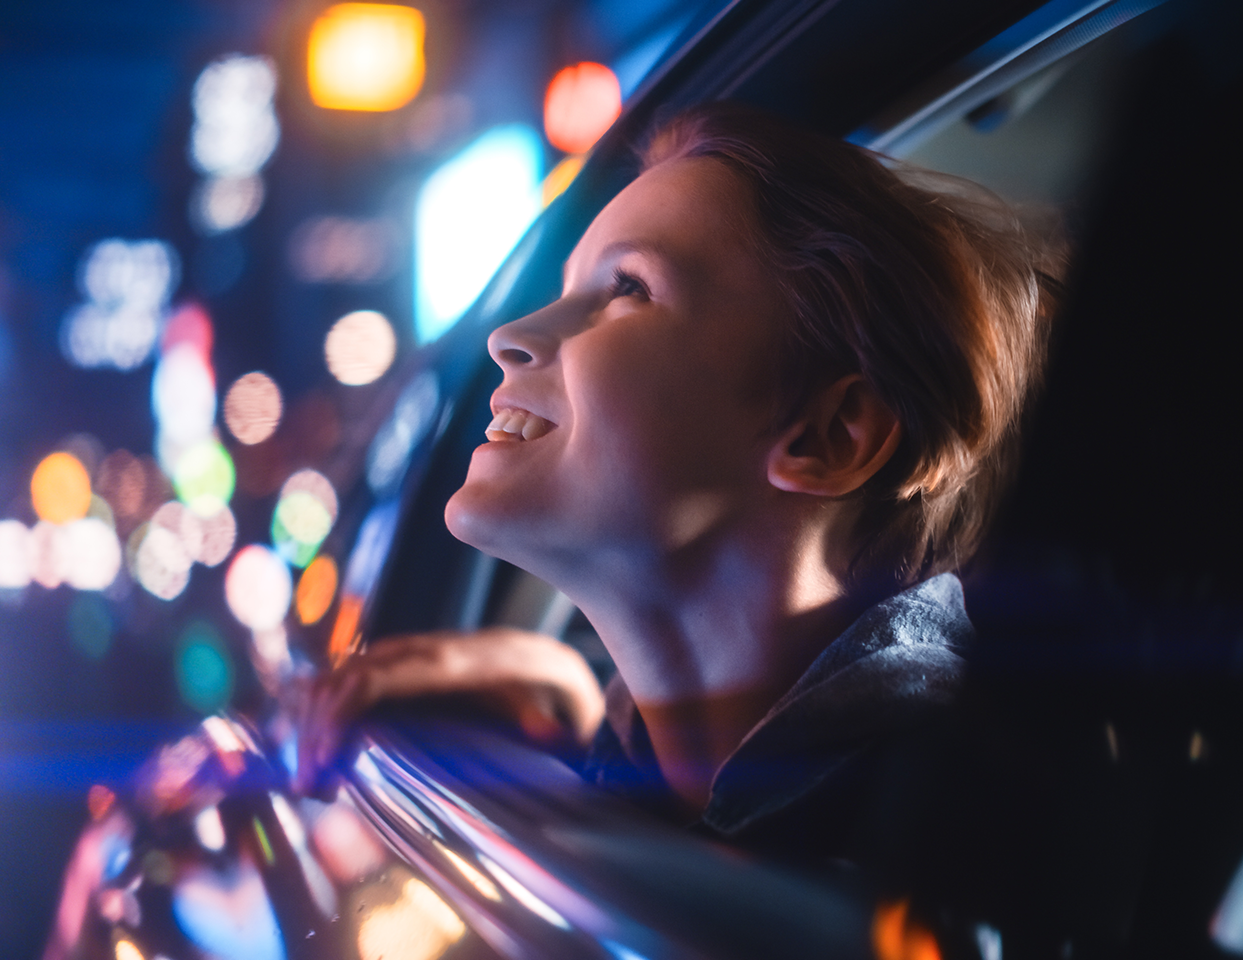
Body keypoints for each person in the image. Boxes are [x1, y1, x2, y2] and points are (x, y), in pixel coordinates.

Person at [296, 100, 1055, 867]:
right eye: (568, 289)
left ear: (830, 436)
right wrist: (559, 688)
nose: (510, 337)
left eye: (628, 287)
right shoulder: (787, 794)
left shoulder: (956, 850)